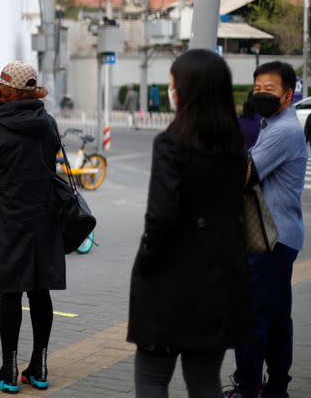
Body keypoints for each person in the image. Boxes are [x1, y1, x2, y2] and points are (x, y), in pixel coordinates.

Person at [128, 50, 252, 398]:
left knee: (152, 379)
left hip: (169, 284)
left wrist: (147, 263)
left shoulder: (171, 144)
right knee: (204, 381)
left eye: (173, 83)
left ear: (187, 89)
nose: (171, 90)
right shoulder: (235, 148)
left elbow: (161, 217)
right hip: (220, 280)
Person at [0, 61, 65, 393]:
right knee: (40, 290)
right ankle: (39, 366)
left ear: (4, 89)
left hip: (7, 221)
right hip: (43, 218)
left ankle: (8, 371)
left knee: (10, 294)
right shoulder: (48, 124)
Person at [225, 61, 308, 398]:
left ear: (288, 95)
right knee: (275, 318)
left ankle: (248, 390)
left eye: (269, 89)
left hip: (269, 238)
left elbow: (244, 174)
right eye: (257, 88)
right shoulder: (272, 125)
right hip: (279, 236)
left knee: (253, 318)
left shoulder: (283, 131)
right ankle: (275, 389)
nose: (260, 94)